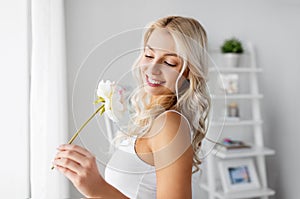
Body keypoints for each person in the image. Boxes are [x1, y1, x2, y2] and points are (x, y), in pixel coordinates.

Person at [53, 15, 211, 199]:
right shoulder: (154, 119)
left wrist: (98, 189)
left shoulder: (171, 124)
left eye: (169, 62)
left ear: (188, 71)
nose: (152, 69)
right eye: (149, 55)